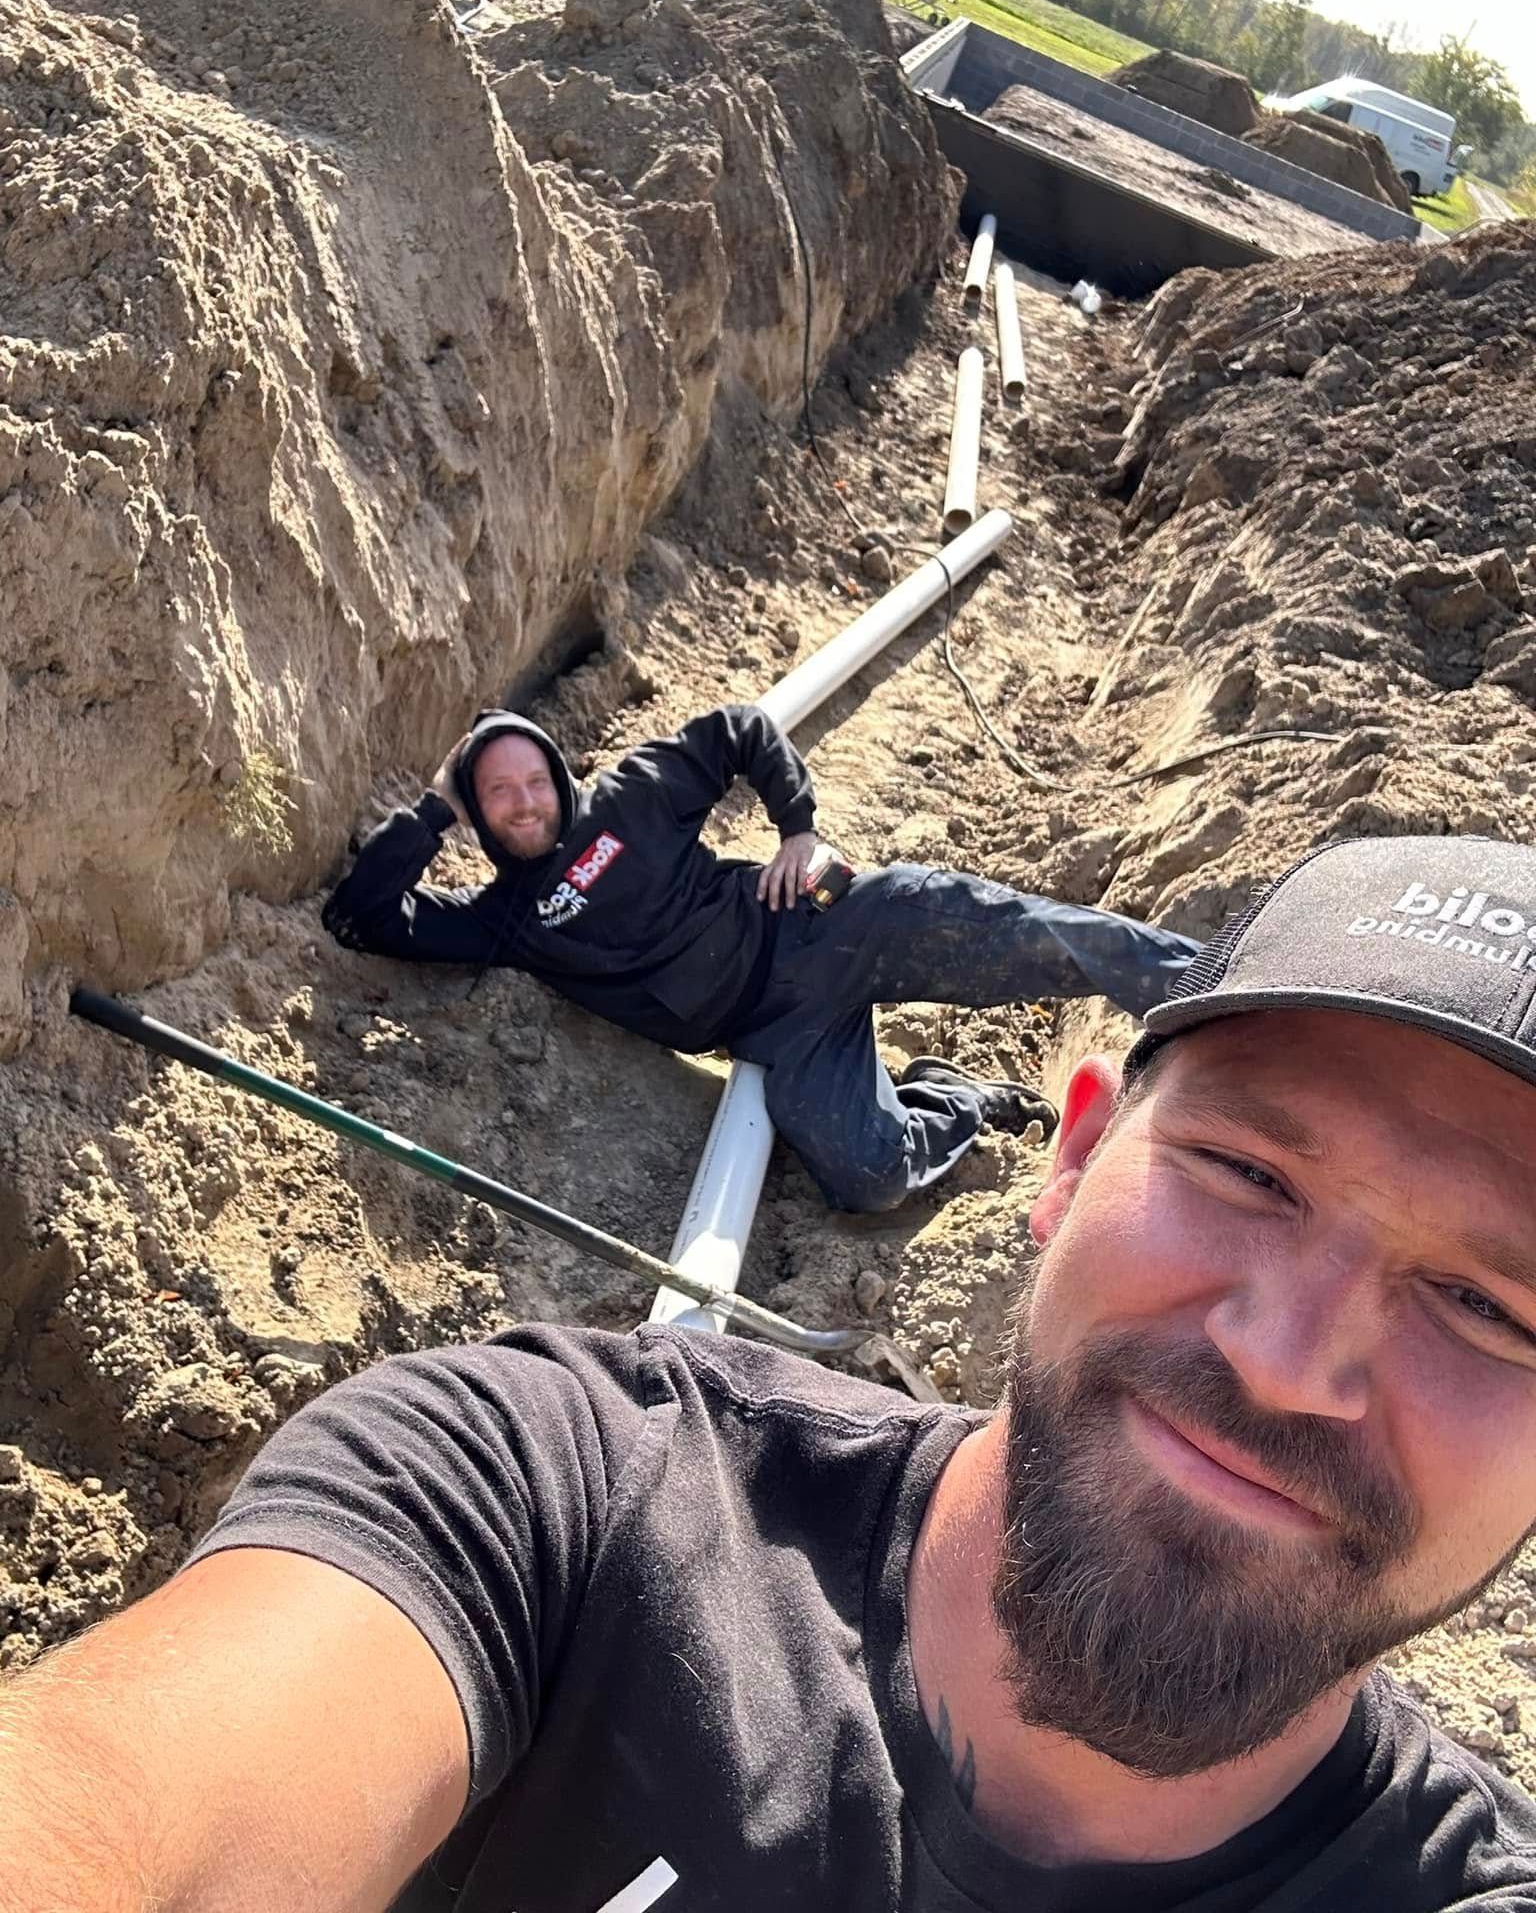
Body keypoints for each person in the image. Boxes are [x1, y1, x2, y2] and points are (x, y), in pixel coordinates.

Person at [9, 830, 1536, 1911]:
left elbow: (740, 749)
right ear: (1073, 1162)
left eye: (1489, 1305)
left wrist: (803, 830)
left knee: (974, 981)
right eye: (1249, 1173)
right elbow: (124, 1817)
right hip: (771, 1018)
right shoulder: (554, 1488)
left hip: (829, 944)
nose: (1286, 1359)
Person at [320, 702, 1199, 1212]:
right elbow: (362, 918)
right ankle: (957, 1098)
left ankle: (1215, 978)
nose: (524, 801)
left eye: (534, 779)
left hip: (830, 924)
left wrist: (799, 828)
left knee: (1041, 940)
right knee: (869, 1179)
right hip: (780, 1032)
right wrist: (433, 807)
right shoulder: (504, 920)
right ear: (478, 810)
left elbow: (740, 730)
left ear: (558, 773)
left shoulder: (630, 797)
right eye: (496, 792)